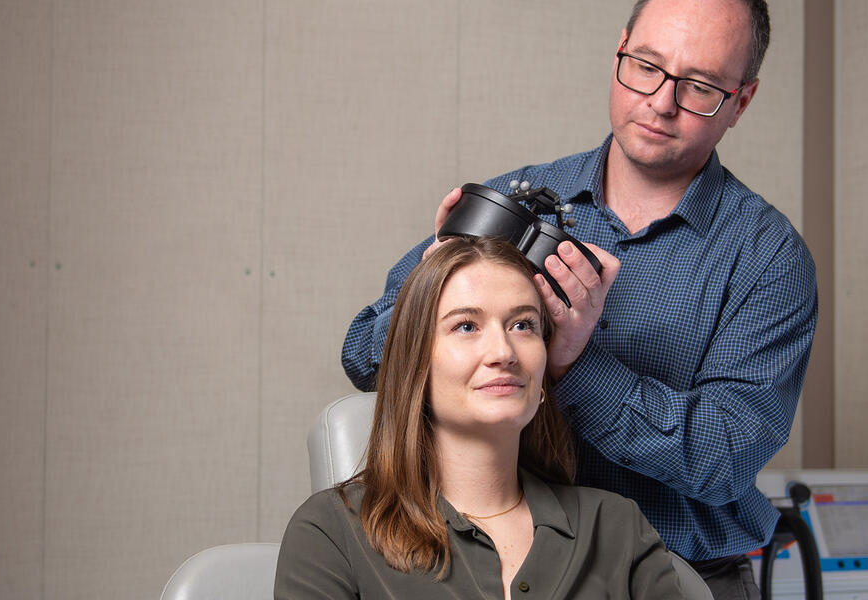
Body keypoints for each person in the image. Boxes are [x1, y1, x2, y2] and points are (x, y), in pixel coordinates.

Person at [339, 0, 817, 597]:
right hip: (493, 566)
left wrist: (578, 364)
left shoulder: (767, 259)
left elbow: (725, 459)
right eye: (646, 66)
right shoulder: (517, 207)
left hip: (682, 573)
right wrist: (436, 276)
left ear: (741, 101)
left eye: (699, 87)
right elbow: (363, 356)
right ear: (620, 50)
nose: (660, 101)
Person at [279, 237, 689, 599]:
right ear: (415, 363)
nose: (503, 351)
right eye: (466, 326)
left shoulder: (617, 526)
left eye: (523, 325)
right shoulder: (332, 531)